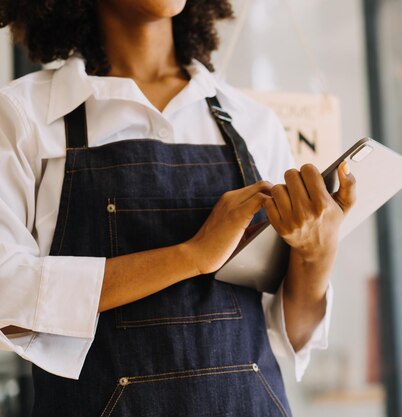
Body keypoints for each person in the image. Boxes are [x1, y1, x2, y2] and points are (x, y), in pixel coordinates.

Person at [0, 0, 356, 415]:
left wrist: (316, 254)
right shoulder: (23, 117)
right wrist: (191, 256)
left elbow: (286, 337)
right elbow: (9, 300)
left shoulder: (252, 122)